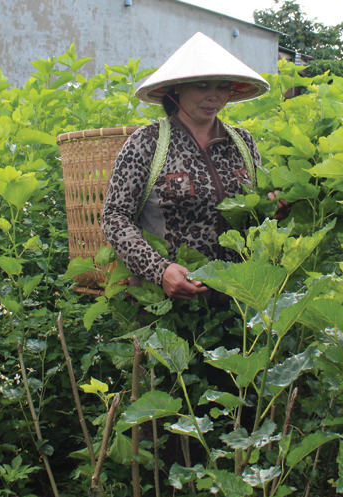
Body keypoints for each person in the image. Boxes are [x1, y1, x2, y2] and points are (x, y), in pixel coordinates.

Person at [102, 32, 284, 302]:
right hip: (165, 301)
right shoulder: (147, 142)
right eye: (201, 85)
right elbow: (115, 217)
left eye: (222, 86)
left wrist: (273, 210)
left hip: (237, 297)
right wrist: (159, 270)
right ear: (177, 88)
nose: (213, 96)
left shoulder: (242, 142)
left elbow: (254, 214)